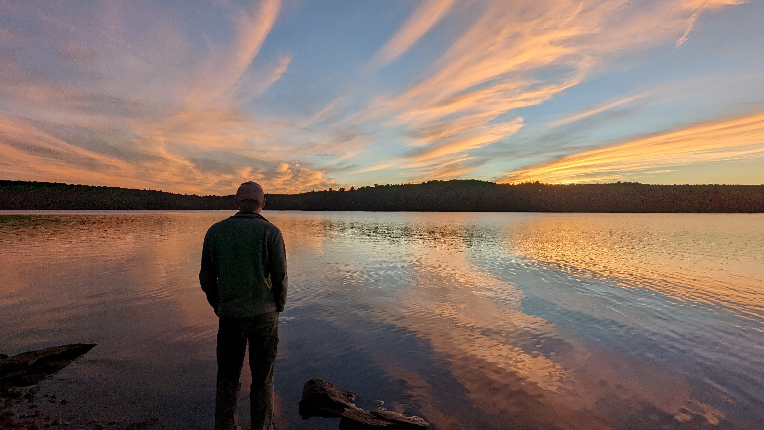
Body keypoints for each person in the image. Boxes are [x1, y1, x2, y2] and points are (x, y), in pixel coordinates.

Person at [200, 181, 288, 430]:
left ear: (236, 201)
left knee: (227, 377)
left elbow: (206, 277)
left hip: (230, 316)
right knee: (263, 379)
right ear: (263, 202)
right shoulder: (271, 233)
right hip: (265, 316)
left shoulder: (215, 232)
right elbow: (280, 276)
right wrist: (278, 305)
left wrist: (219, 304)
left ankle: (225, 426)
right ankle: (260, 427)